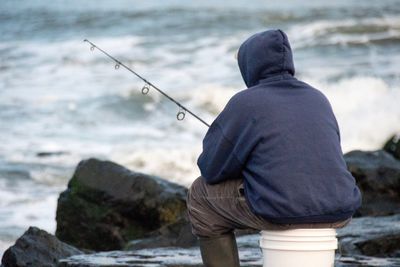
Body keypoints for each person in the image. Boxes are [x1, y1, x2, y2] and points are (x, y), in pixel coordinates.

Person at [186, 29, 362, 267]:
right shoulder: (317, 97)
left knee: (200, 195)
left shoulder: (246, 102)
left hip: (283, 210)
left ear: (251, 65)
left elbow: (211, 169)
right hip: (339, 209)